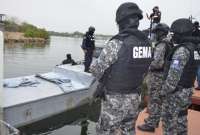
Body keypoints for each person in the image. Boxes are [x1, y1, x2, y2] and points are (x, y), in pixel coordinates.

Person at [90, 2, 152, 135]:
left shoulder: (116, 42)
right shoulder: (147, 43)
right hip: (135, 97)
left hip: (115, 99)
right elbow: (146, 69)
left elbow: (95, 70)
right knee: (128, 130)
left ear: (121, 21)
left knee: (105, 131)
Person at [160, 18, 199, 135]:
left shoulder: (182, 51)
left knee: (169, 121)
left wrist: (163, 92)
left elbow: (173, 79)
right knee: (181, 119)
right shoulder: (194, 49)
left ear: (180, 33)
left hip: (176, 93)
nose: (173, 36)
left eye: (174, 33)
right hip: (187, 90)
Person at [137, 23, 172, 132]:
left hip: (157, 76)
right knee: (156, 100)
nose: (155, 35)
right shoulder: (168, 43)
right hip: (162, 76)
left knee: (154, 100)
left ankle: (151, 124)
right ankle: (153, 120)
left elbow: (157, 63)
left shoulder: (161, 45)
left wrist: (146, 64)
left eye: (156, 32)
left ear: (161, 33)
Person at [192, 21, 200, 89]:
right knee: (198, 67)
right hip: (198, 51)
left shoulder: (193, 33)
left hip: (195, 52)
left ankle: (191, 83)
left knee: (195, 67)